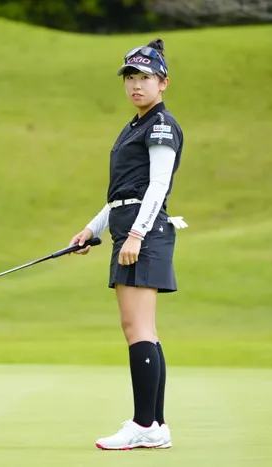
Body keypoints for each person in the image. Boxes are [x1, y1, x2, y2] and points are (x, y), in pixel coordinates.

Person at [68, 38, 186, 450]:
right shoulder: (135, 125)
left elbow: (157, 186)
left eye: (145, 78)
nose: (136, 85)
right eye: (130, 77)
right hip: (129, 230)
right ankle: (156, 426)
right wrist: (90, 230)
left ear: (163, 83)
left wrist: (136, 234)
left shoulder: (160, 125)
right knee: (143, 330)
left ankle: (143, 424)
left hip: (143, 234)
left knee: (137, 329)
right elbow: (121, 195)